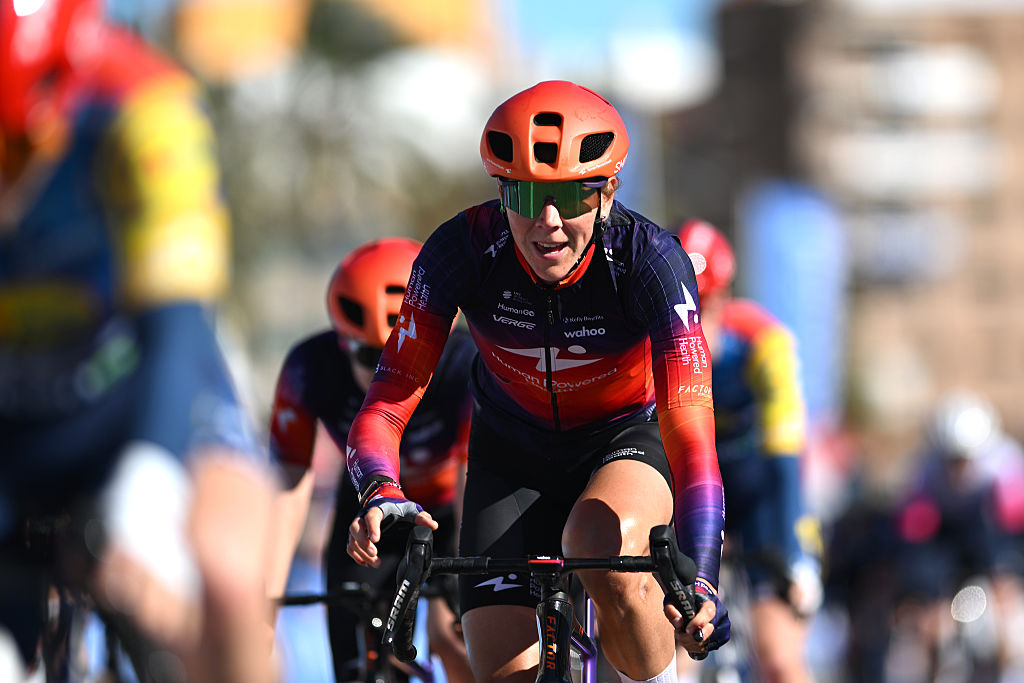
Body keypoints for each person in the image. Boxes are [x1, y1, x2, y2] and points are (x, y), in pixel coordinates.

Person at [344, 80, 731, 683]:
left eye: (573, 195)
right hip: (510, 456)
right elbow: (387, 401)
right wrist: (379, 488)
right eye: (525, 195)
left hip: (621, 439)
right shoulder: (460, 252)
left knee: (597, 542)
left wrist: (701, 574)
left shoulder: (650, 261)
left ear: (607, 193)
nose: (547, 222)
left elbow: (694, 438)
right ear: (502, 192)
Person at [0, 1, 278, 681]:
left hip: (143, 385)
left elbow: (181, 317)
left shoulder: (148, 103)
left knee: (225, 571)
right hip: (16, 417)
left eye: (18, 145)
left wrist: (151, 477)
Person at [266, 237, 476, 683]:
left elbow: (472, 475)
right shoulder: (309, 369)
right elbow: (289, 480)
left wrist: (459, 583)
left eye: (407, 355)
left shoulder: (467, 364)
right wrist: (264, 602)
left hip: (453, 511)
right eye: (371, 356)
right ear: (342, 345)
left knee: (454, 638)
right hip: (366, 512)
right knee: (358, 666)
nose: (391, 372)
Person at [676, 219, 821, 682]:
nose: (697, 322)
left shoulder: (765, 344)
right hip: (692, 499)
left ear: (726, 297)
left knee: (778, 657)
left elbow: (785, 462)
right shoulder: (649, 346)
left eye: (709, 304)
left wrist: (797, 560)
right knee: (674, 660)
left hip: (761, 499)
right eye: (685, 308)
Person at [886, 390, 1024, 681]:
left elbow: (1009, 532)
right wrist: (925, 595)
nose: (959, 470)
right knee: (929, 606)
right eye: (953, 460)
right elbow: (916, 535)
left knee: (1004, 593)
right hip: (946, 539)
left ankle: (1007, 657)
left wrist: (1004, 579)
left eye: (965, 461)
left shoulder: (1007, 468)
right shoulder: (926, 472)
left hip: (992, 534)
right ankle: (936, 662)